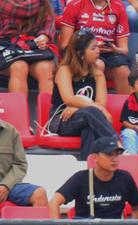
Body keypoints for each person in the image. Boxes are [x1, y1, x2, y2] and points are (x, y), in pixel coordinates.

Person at [48, 30, 115, 161]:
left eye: (97, 46)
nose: (98, 51)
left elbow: (101, 104)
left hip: (86, 117)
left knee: (89, 129)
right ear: (81, 53)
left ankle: (87, 168)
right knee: (91, 114)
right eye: (93, 48)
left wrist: (80, 109)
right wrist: (93, 107)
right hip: (61, 119)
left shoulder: (98, 74)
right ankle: (116, 145)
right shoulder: (65, 70)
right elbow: (69, 98)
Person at [50, 135, 138, 219]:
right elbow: (54, 202)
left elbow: (137, 207)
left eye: (116, 154)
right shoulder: (80, 178)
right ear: (95, 157)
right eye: (109, 154)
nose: (114, 159)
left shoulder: (125, 178)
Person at [57, 0, 131, 95]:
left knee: (122, 70)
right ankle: (92, 105)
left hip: (109, 53)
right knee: (97, 64)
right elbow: (64, 46)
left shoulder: (118, 6)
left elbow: (124, 50)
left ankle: (127, 107)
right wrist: (89, 48)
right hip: (81, 53)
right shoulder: (75, 5)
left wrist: (115, 49)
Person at [0, 0, 57, 97]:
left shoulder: (44, 3)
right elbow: (24, 9)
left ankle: (48, 111)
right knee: (19, 67)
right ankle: (18, 111)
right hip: (9, 46)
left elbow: (49, 23)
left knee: (46, 68)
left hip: (33, 47)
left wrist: (44, 36)